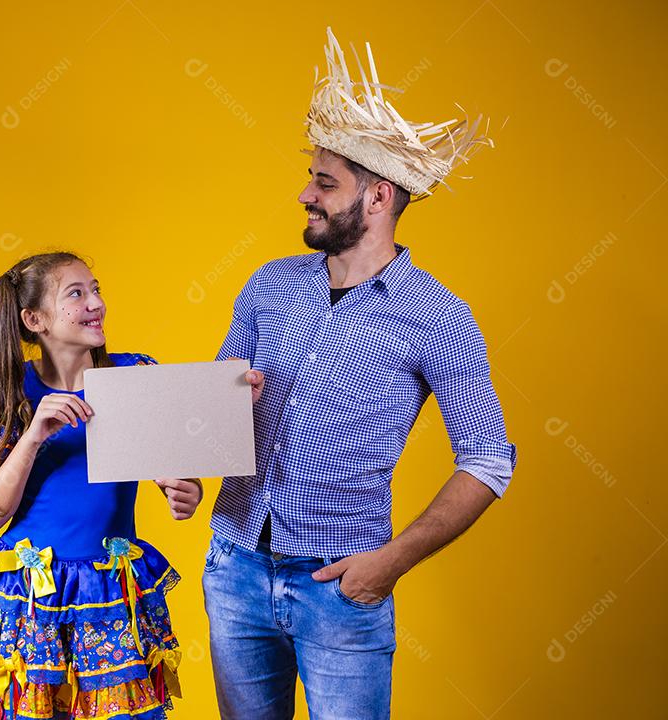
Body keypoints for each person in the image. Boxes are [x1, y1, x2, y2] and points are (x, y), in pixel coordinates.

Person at [203, 28, 518, 719]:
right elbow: (215, 405)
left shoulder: (440, 317)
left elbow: (490, 460)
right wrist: (185, 466)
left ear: (377, 198)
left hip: (342, 590)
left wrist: (392, 562)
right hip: (234, 570)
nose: (304, 195)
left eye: (323, 182)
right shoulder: (268, 285)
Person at [0, 251, 204, 720]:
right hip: (36, 591)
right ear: (34, 319)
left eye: (96, 289)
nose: (96, 302)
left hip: (110, 587)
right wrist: (34, 435)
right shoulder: (10, 391)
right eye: (76, 294)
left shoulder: (133, 377)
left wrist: (186, 492)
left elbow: (177, 475)